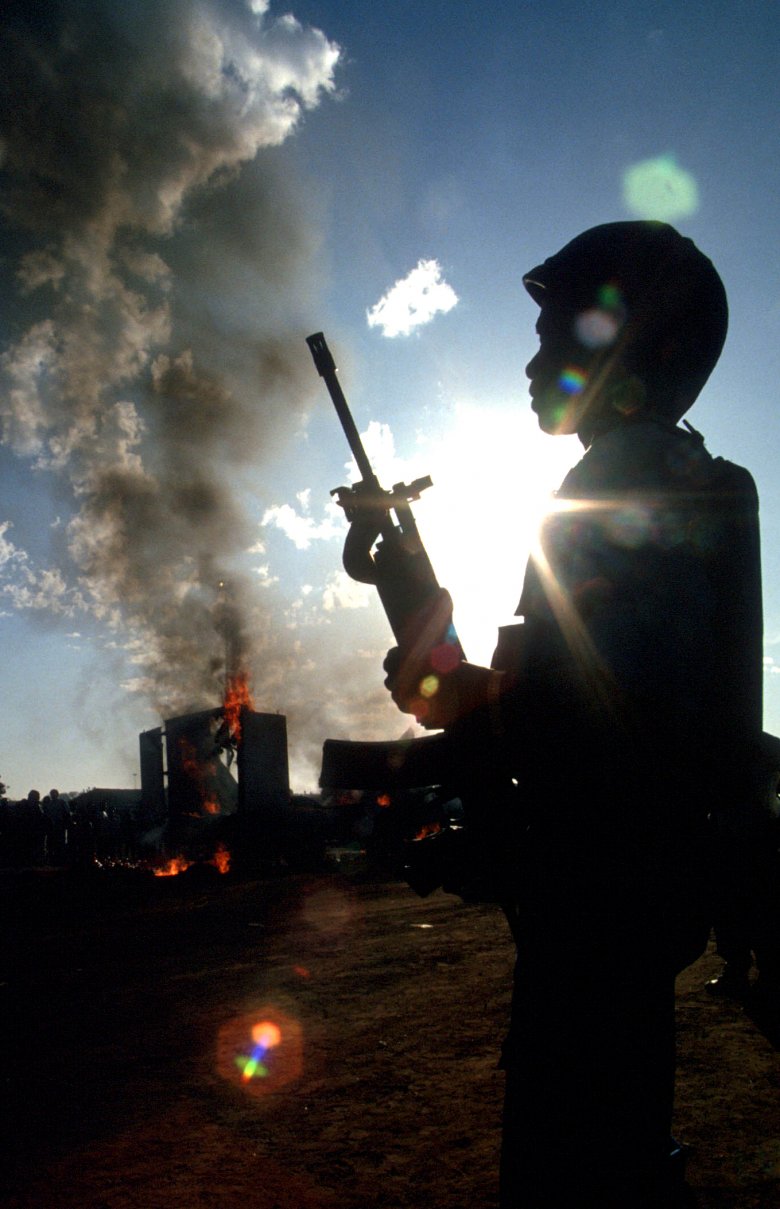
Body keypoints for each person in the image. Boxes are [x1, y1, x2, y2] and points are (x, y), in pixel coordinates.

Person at [383, 221, 763, 1208]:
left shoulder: (622, 482)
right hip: (623, 915)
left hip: (597, 921)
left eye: (561, 331)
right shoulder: (678, 475)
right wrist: (408, 582)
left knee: (579, 1167)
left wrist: (438, 699)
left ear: (635, 348)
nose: (532, 358)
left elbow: (578, 724)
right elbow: (552, 697)